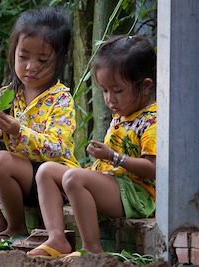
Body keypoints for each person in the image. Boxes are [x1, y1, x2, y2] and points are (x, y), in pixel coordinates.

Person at [0, 7, 80, 248]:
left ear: (61, 60)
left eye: (42, 60)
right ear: (13, 54)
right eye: (23, 57)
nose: (31, 67)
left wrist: (19, 131)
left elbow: (58, 148)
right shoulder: (7, 95)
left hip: (50, 183)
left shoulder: (61, 99)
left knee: (0, 160)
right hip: (11, 177)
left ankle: (16, 227)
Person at [27, 35, 157, 258]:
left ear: (145, 87)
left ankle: (91, 250)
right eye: (105, 91)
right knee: (46, 171)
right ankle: (57, 238)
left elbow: (153, 169)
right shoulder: (124, 113)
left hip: (138, 195)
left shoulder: (152, 121)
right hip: (113, 184)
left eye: (117, 91)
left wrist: (113, 157)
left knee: (73, 178)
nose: (109, 99)